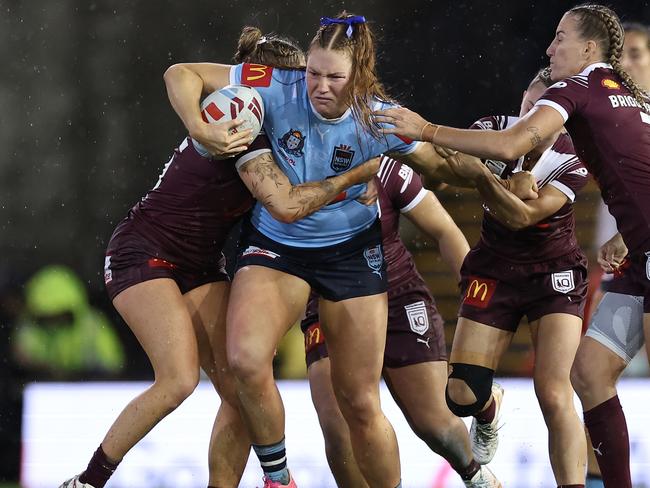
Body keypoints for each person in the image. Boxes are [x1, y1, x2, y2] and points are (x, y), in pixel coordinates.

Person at [59, 29, 380, 488]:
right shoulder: (242, 118)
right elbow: (179, 74)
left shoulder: (281, 131)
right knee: (178, 380)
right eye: (300, 79)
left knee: (243, 390)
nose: (308, 92)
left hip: (201, 264)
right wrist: (195, 124)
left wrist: (361, 175)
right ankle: (88, 481)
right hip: (145, 249)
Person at [163, 12, 464, 488]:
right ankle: (279, 479)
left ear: (358, 77)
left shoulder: (381, 116)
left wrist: (437, 144)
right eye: (314, 73)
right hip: (278, 246)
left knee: (360, 403)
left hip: (350, 252)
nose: (320, 86)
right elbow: (181, 73)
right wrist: (200, 128)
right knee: (244, 360)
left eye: (334, 77)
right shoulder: (275, 83)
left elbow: (446, 170)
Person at [377, 5, 650, 488]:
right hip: (625, 260)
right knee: (587, 375)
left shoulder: (578, 88)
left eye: (560, 37)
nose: (549, 48)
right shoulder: (630, 97)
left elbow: (510, 146)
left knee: (561, 386)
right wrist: (629, 231)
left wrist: (426, 129)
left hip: (564, 271)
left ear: (588, 49)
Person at [300, 153, 508, 487]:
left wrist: (478, 307)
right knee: (337, 427)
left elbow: (444, 230)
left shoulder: (385, 166)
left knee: (434, 423)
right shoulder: (289, 166)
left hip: (395, 295)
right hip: (329, 298)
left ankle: (475, 472)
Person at [582, 21, 650, 488]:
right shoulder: (609, 113)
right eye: (620, 54)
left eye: (639, 53)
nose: (626, 63)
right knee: (589, 373)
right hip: (627, 263)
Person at [13, 264, 124, 379]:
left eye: (60, 315)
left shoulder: (92, 325)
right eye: (48, 317)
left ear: (73, 311)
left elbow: (113, 365)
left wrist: (78, 376)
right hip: (45, 391)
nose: (54, 324)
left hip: (90, 390)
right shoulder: (29, 329)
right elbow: (21, 365)